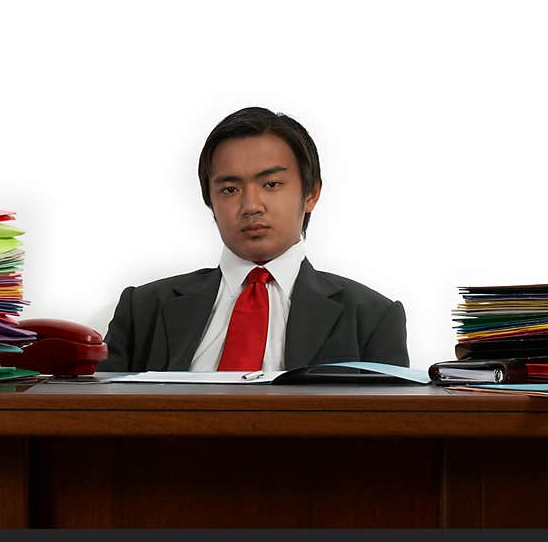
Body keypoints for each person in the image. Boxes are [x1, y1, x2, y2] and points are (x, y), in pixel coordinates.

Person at [97, 107, 409, 372]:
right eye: (229, 190)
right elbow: (94, 418)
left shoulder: (371, 318)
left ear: (311, 193)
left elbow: (391, 433)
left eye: (271, 184)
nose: (251, 206)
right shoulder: (143, 309)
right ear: (210, 202)